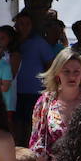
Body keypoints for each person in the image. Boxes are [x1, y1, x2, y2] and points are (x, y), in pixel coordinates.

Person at [29, 47, 81, 161]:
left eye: (76, 71)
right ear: (57, 74)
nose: (72, 76)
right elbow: (36, 141)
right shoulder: (45, 102)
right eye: (66, 71)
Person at [13, 12, 57, 143]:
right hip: (14, 91)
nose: (24, 27)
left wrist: (49, 85)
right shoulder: (13, 43)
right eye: (21, 24)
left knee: (31, 124)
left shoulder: (39, 43)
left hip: (34, 91)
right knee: (17, 124)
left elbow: (51, 64)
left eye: (27, 24)